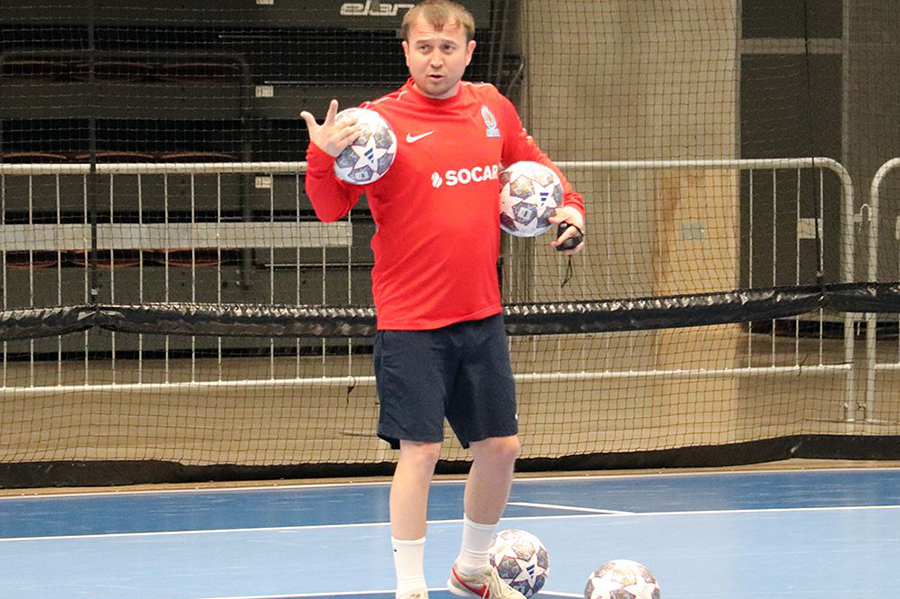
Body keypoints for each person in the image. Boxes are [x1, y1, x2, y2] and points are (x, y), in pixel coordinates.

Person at [300, 1, 584, 597]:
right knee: (421, 451)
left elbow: (535, 166)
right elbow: (328, 209)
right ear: (406, 51)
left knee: (501, 448)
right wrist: (323, 155)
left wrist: (570, 209)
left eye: (448, 48)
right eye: (424, 48)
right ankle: (410, 586)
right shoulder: (374, 125)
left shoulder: (491, 107)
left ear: (468, 52)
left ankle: (472, 571)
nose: (436, 60)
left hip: (480, 314)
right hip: (410, 320)